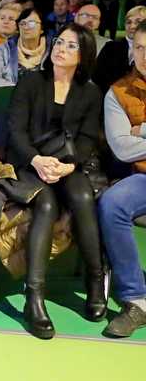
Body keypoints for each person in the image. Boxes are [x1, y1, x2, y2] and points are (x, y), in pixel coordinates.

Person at [6, 23, 105, 339]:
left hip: (67, 165)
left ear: (83, 55)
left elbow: (88, 139)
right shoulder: (32, 81)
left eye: (71, 46)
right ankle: (33, 297)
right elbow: (16, 131)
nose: (61, 48)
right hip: (28, 163)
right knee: (46, 204)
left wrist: (67, 166)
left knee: (83, 196)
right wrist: (36, 160)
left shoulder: (89, 92)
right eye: (59, 42)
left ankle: (95, 278)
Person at [98, 21, 146, 338]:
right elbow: (121, 146)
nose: (145, 54)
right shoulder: (118, 92)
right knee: (111, 202)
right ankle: (136, 299)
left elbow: (133, 138)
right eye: (140, 47)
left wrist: (141, 130)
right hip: (143, 176)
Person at [0, 8, 48, 95]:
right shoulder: (6, 49)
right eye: (22, 23)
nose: (26, 27)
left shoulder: (51, 51)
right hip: (9, 101)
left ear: (42, 29)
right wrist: (18, 91)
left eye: (32, 23)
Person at [93, 6, 146, 94]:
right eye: (128, 22)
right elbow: (97, 78)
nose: (132, 26)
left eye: (138, 22)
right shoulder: (110, 47)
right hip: (109, 99)